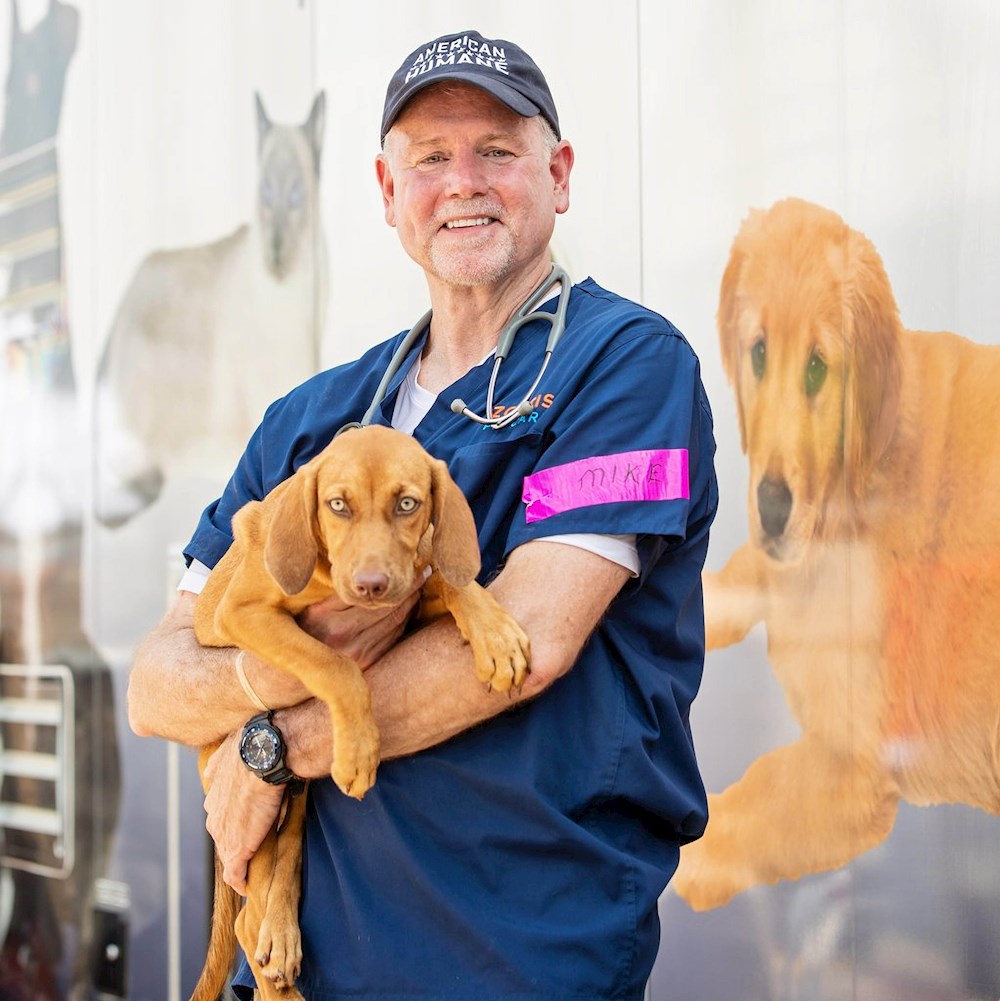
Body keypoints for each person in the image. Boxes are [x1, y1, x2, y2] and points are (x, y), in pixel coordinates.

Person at [127, 28, 718, 1001]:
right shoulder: (311, 421)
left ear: (558, 174)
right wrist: (260, 676)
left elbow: (524, 636)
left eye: (496, 150)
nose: (463, 182)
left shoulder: (624, 366)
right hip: (302, 956)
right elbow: (155, 680)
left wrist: (269, 748)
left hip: (515, 951)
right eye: (430, 158)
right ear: (387, 192)